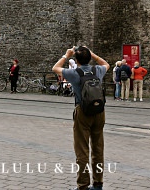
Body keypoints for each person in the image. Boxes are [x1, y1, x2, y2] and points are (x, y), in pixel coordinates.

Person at [52, 46, 110, 190]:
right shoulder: (98, 70)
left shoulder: (74, 73)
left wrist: (66, 55)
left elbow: (55, 68)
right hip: (99, 111)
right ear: (89, 57)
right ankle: (98, 184)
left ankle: (83, 185)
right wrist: (94, 55)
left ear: (76, 60)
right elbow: (107, 64)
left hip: (82, 112)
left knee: (82, 150)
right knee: (98, 149)